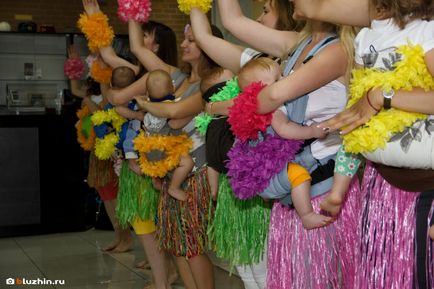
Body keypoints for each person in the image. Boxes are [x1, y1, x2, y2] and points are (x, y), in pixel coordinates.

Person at [314, 0, 434, 287]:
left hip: (424, 190)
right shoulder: (365, 36)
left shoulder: (427, 31)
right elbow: (357, 122)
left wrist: (383, 95)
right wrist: (339, 188)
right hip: (380, 187)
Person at [109, 17, 229, 288]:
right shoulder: (177, 78)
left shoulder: (211, 86)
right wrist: (133, 13)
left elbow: (174, 116)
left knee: (192, 245)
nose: (183, 44)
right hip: (169, 174)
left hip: (195, 172)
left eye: (191, 39)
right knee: (176, 244)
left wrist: (145, 106)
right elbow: (139, 49)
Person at [189, 3, 299, 288]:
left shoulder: (298, 61)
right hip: (240, 174)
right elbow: (205, 37)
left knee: (268, 267)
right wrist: (194, 5)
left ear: (289, 13)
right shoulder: (257, 60)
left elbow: (261, 101)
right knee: (246, 265)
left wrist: (216, 105)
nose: (259, 17)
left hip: (278, 177)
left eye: (266, 10)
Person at [80, 1, 180, 288]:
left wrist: (122, 103)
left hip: (152, 162)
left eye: (146, 36)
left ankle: (165, 277)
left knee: (151, 224)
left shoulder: (159, 76)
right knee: (147, 224)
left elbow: (116, 98)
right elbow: (108, 54)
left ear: (157, 46)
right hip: (139, 161)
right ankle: (165, 275)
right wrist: (95, 19)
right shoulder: (139, 71)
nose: (140, 40)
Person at [230, 57, 332, 229]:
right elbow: (285, 130)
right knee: (299, 175)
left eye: (282, 74)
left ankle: (269, 193)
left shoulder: (252, 114)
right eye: (276, 80)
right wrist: (312, 132)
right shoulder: (274, 111)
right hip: (272, 168)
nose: (284, 80)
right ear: (258, 92)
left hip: (265, 170)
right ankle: (306, 215)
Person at [67, 45, 134, 253]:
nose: (97, 65)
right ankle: (118, 236)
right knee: (106, 194)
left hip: (113, 148)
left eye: (101, 63)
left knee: (116, 195)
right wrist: (74, 65)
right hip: (99, 148)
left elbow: (105, 114)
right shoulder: (93, 87)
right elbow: (75, 90)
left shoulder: (112, 89)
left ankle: (126, 238)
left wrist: (89, 102)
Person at [138, 69, 194, 202]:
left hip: (148, 151)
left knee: (161, 165)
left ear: (147, 93)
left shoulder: (149, 107)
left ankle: (157, 178)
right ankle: (174, 187)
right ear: (173, 87)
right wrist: (192, 112)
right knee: (187, 163)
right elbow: (174, 124)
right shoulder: (169, 107)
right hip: (165, 149)